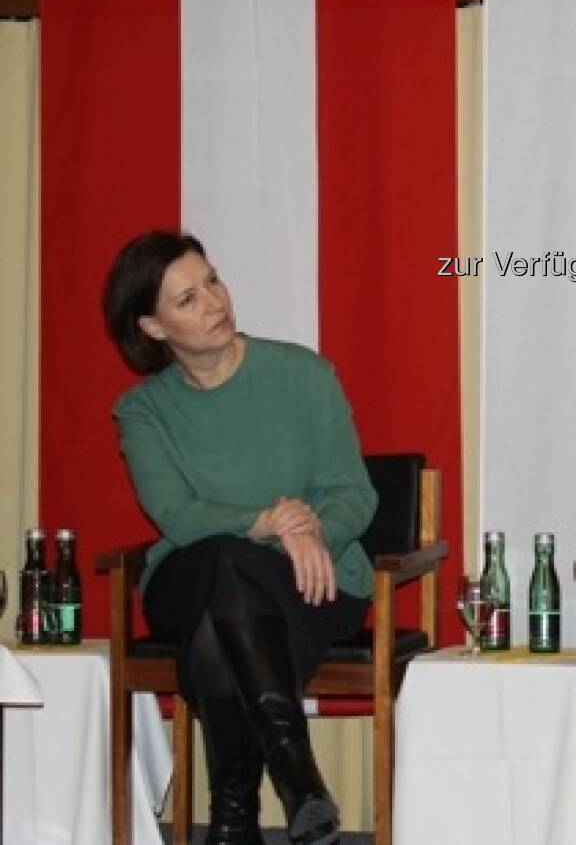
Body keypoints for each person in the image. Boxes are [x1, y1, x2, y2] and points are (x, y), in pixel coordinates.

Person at [103, 231, 378, 845]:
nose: (214, 302)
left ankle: (233, 816)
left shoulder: (303, 374)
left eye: (212, 281)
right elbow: (177, 515)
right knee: (223, 562)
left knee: (218, 625)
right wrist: (270, 521)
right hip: (188, 575)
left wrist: (313, 531)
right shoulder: (142, 411)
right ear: (152, 327)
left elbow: (353, 492)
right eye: (187, 299)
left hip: (313, 583)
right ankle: (296, 773)